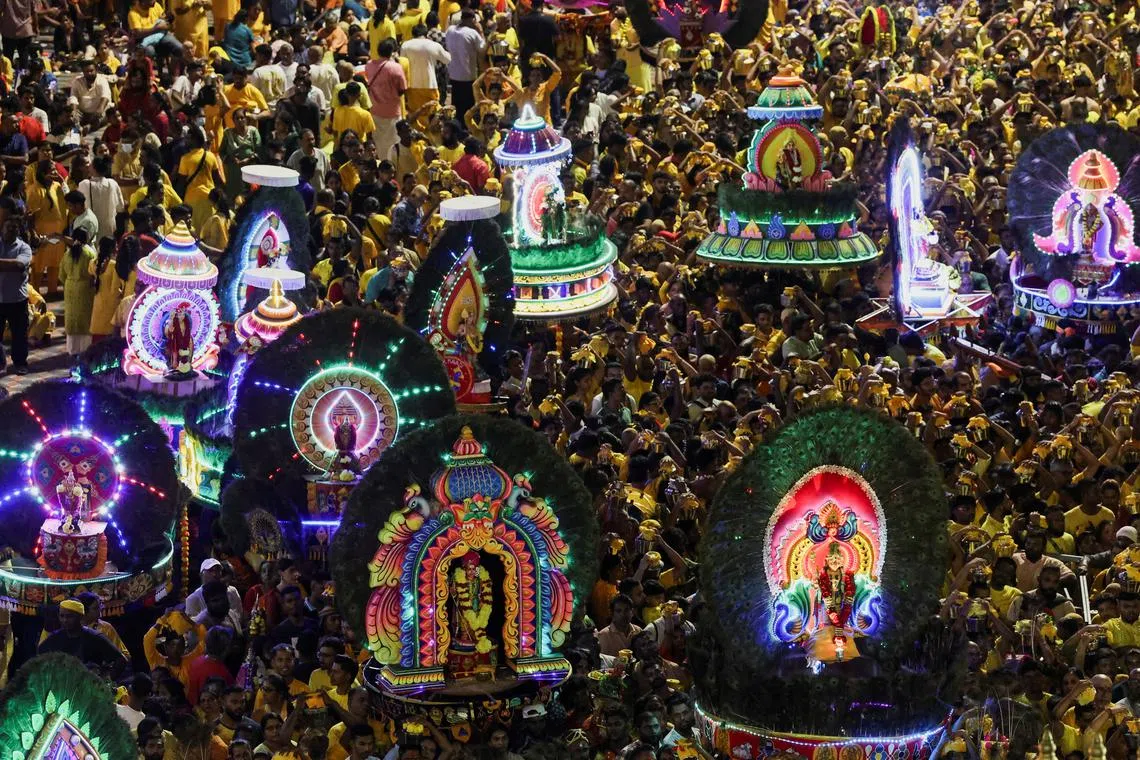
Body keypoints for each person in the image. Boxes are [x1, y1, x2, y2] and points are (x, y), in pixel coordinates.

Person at [38, 598, 127, 675]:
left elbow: (121, 660)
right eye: (62, 616)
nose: (65, 620)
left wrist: (106, 681)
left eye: (70, 616)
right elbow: (39, 657)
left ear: (80, 617)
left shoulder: (94, 637)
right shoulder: (55, 638)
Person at [0, 215, 32, 375]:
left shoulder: (24, 248)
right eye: (9, 227)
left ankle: (20, 363)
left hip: (17, 299)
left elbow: (19, 265)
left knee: (19, 335)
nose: (12, 230)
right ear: (2, 228)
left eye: (15, 228)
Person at [365, 38, 406, 161]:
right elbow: (402, 89)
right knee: (393, 142)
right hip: (392, 111)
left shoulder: (369, 65)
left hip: (374, 110)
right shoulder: (396, 67)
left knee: (378, 142)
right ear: (392, 51)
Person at [444, 9, 484, 123]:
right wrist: (480, 31)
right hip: (468, 77)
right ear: (472, 19)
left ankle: (458, 127)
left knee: (457, 106)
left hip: (453, 75)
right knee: (468, 108)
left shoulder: (450, 30)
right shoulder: (472, 33)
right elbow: (482, 49)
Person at [59, 232, 94, 356]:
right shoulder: (90, 253)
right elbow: (93, 272)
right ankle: (85, 350)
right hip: (85, 288)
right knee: (85, 318)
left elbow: (61, 275)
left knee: (72, 318)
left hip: (70, 287)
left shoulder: (67, 254)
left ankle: (72, 349)